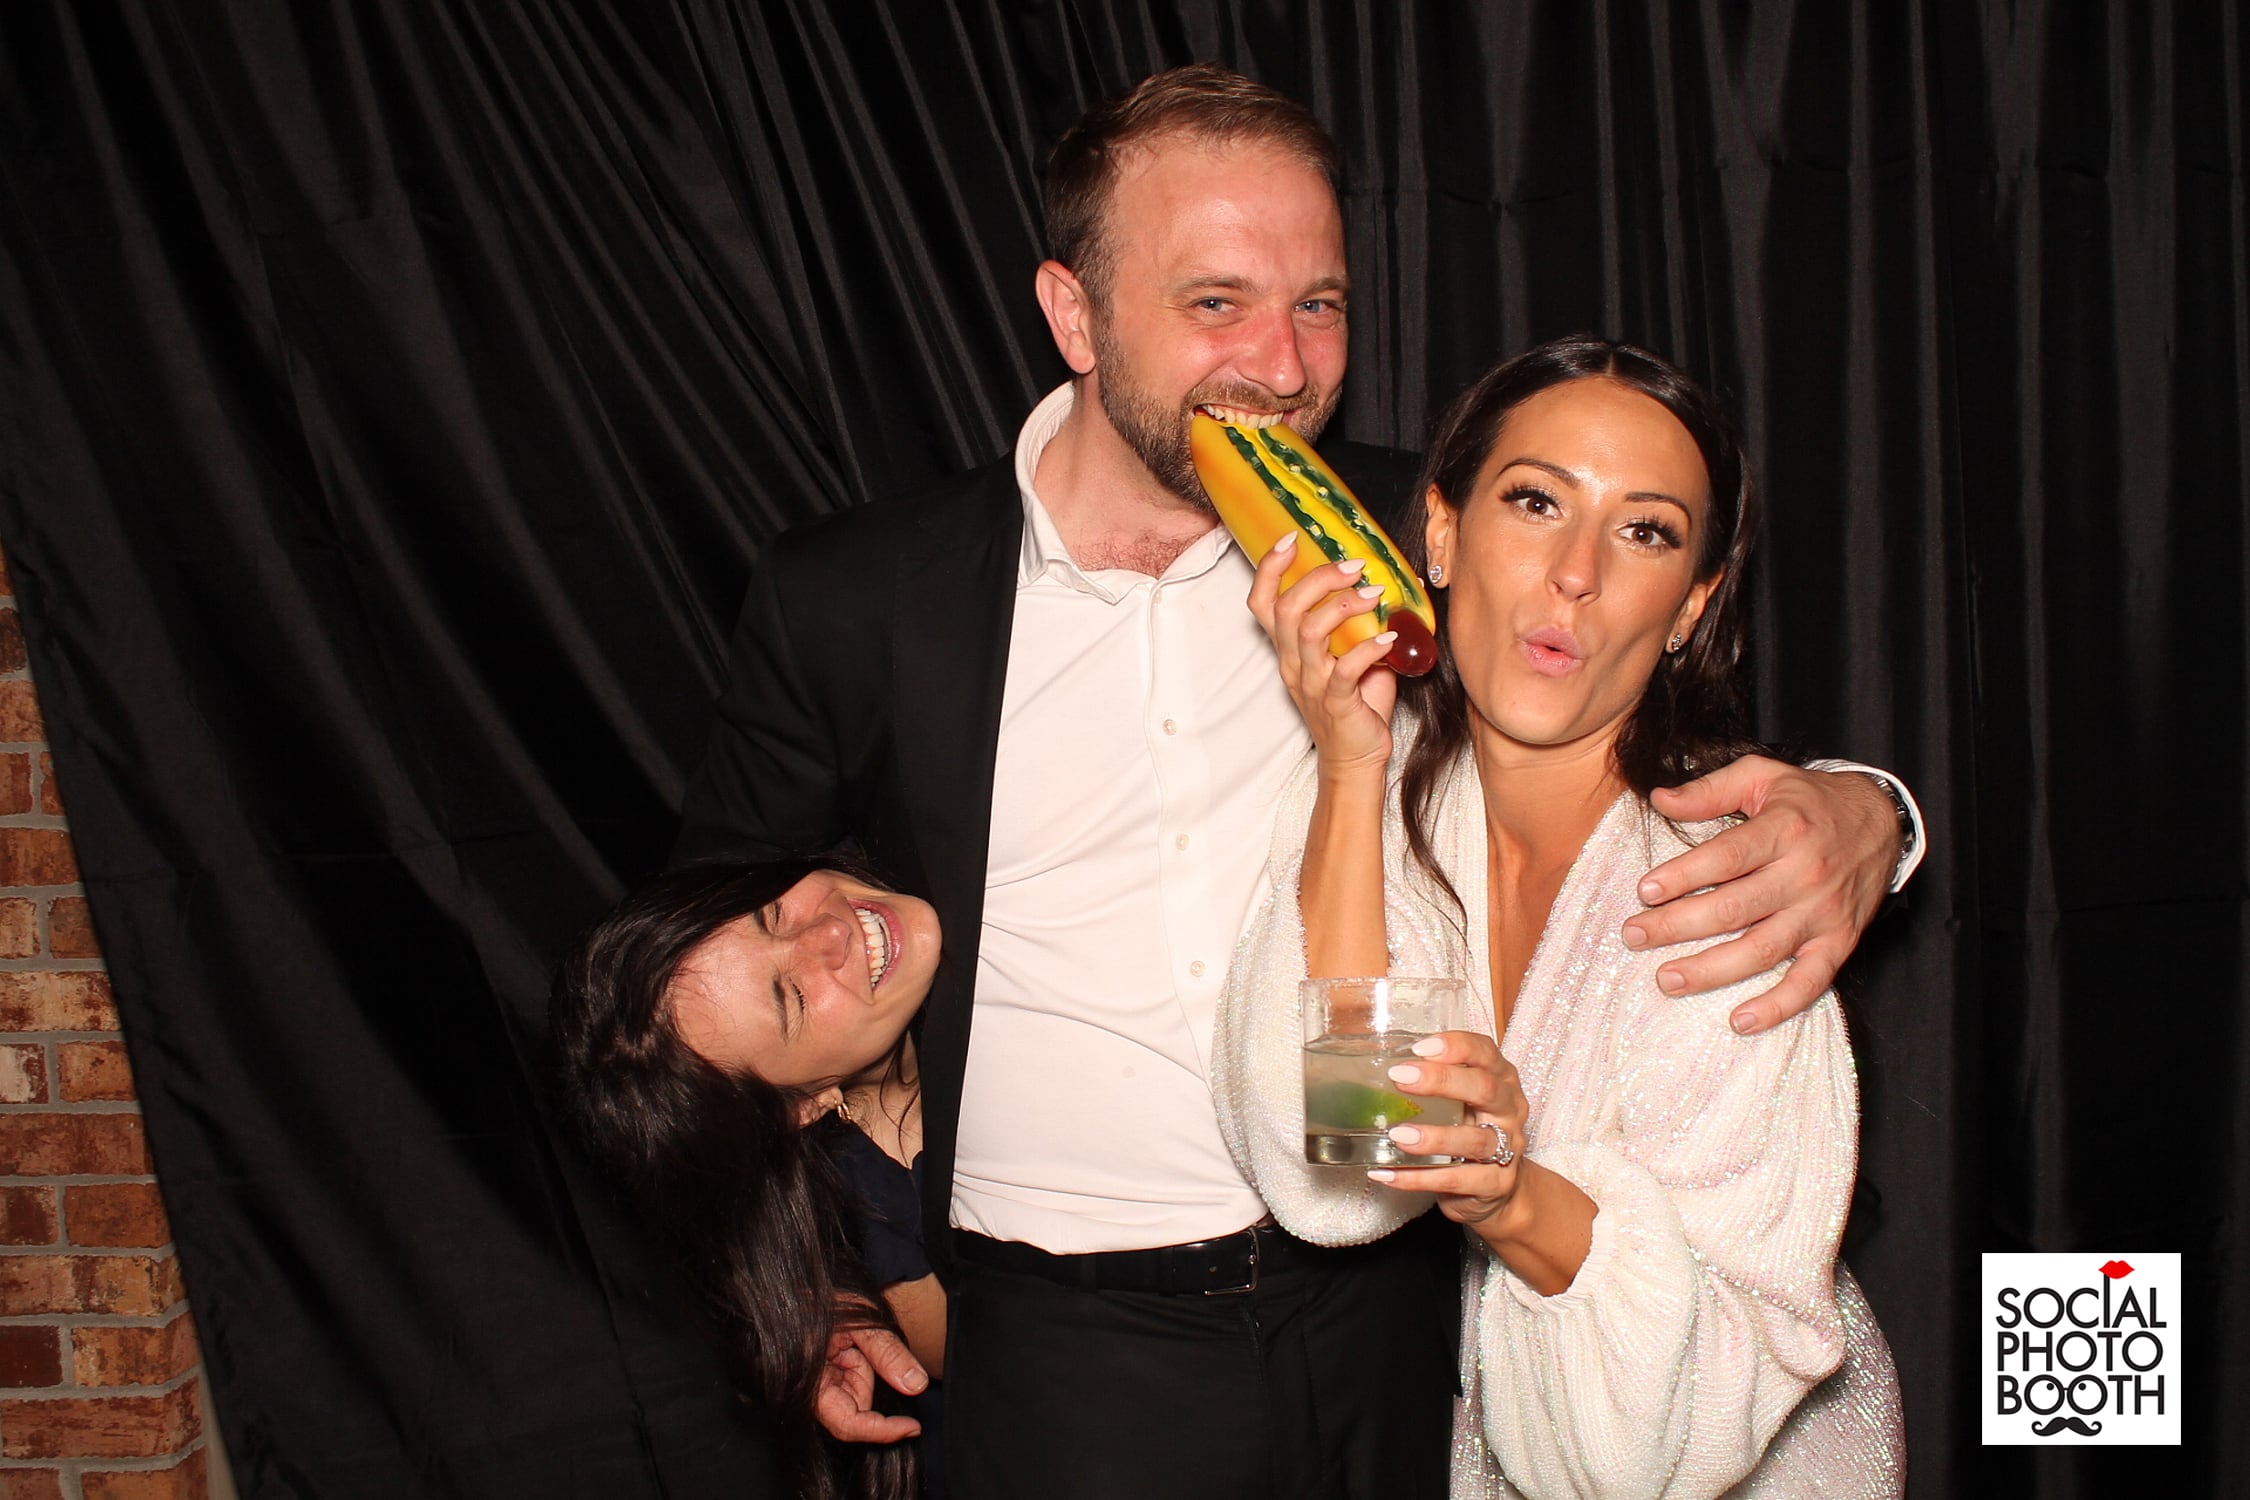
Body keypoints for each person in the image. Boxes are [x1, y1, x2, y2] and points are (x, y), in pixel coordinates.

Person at [675, 65, 1921, 1498]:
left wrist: (1866, 812)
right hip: (1070, 1351)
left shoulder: (1427, 529)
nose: (1280, 366)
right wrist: (812, 1286)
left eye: (1317, 304)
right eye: (1217, 303)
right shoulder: (861, 599)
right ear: (1074, 314)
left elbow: (1653, 709)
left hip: (1402, 1319)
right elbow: (686, 979)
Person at [1216, 335, 1907, 1497]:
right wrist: (1350, 763)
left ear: (1691, 607)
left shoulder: (1725, 909)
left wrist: (1515, 1194)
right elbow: (1338, 1169)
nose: (1576, 573)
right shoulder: (1382, 802)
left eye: (1645, 532)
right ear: (1441, 535)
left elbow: (1670, 1435)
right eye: (1536, 501)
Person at [548, 857, 951, 1500]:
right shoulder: (878, 1228)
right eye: (791, 1000)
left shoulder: (955, 861)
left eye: (771, 914)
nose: (830, 932)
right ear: (801, 1106)